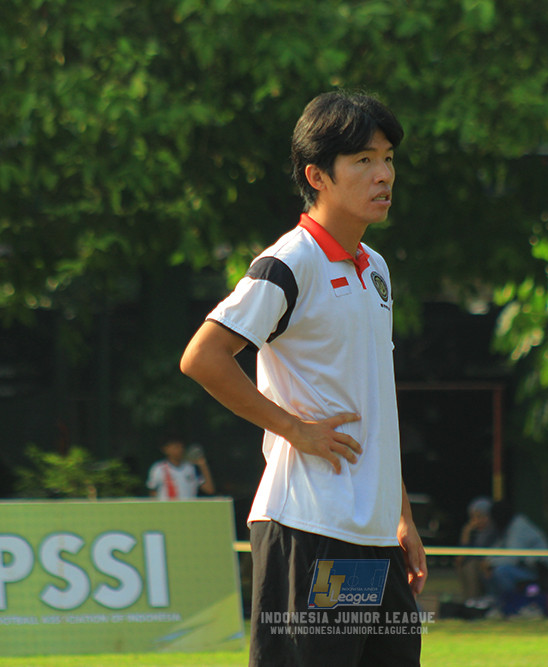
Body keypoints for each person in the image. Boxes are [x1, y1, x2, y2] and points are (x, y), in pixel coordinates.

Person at [180, 90, 425, 666]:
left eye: (387, 158)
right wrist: (296, 429)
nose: (383, 174)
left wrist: (401, 513)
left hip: (373, 536)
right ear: (317, 174)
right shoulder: (288, 264)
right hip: (310, 526)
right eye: (363, 160)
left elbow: (371, 401)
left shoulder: (376, 269)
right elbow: (204, 357)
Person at [481, 500, 548, 614]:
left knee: (501, 572)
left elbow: (513, 558)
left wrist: (490, 563)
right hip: (524, 567)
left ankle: (517, 605)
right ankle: (497, 605)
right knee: (489, 570)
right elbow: (498, 549)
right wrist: (487, 562)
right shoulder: (508, 527)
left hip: (540, 572)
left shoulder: (519, 527)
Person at [455, 496, 497, 604]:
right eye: (473, 517)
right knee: (468, 565)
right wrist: (466, 534)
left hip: (491, 565)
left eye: (480, 516)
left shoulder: (495, 531)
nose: (477, 521)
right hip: (476, 565)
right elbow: (461, 557)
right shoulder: (473, 533)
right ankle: (469, 601)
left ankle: (474, 601)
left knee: (472, 565)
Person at [147, 435, 215, 500]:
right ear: (166, 449)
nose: (179, 450)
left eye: (181, 447)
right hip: (168, 510)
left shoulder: (191, 468)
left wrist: (203, 466)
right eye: (175, 447)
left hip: (188, 510)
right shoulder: (159, 468)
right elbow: (152, 492)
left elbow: (209, 489)